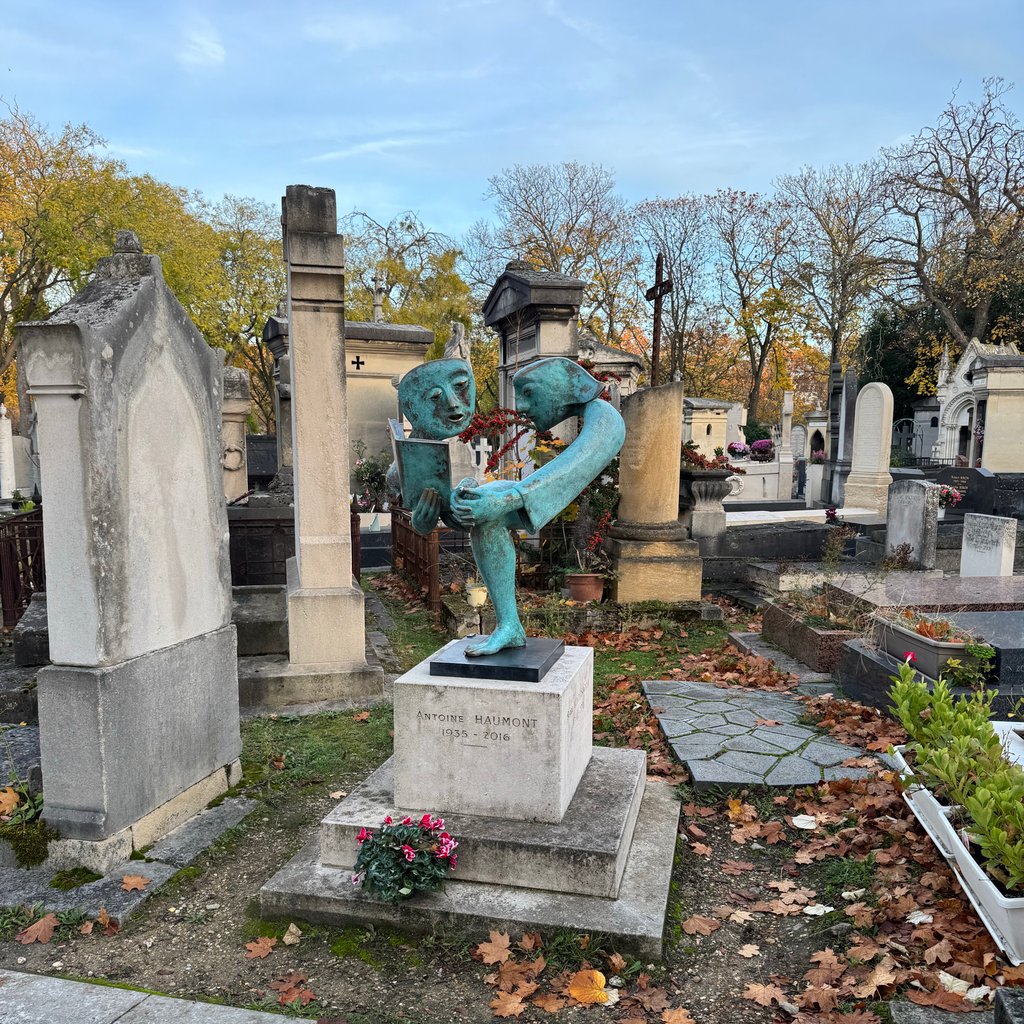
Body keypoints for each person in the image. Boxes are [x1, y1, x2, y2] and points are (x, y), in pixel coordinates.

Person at [447, 357, 625, 656]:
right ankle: (509, 627)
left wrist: (506, 499)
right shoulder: (596, 413)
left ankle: (509, 627)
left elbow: (572, 466)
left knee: (494, 509)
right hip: (530, 496)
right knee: (488, 515)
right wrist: (469, 494)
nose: (521, 407)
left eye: (529, 393)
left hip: (557, 498)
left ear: (562, 387)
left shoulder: (605, 417)